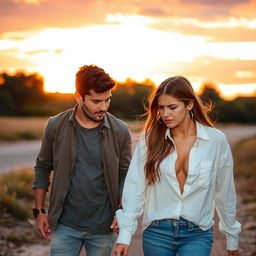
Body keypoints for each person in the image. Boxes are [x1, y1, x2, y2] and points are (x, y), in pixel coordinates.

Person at [114, 76, 241, 256]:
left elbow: (225, 192)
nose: (165, 114)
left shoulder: (215, 141)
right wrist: (124, 236)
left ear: (189, 105)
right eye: (161, 108)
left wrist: (232, 236)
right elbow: (135, 189)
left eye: (172, 107)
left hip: (197, 233)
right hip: (157, 233)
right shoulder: (149, 140)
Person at [33, 65, 132, 256]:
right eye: (96, 101)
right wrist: (39, 211)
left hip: (103, 227)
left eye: (107, 100)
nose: (103, 107)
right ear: (79, 97)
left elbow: (124, 174)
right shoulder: (56, 125)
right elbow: (43, 166)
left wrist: (122, 212)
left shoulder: (120, 130)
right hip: (64, 225)